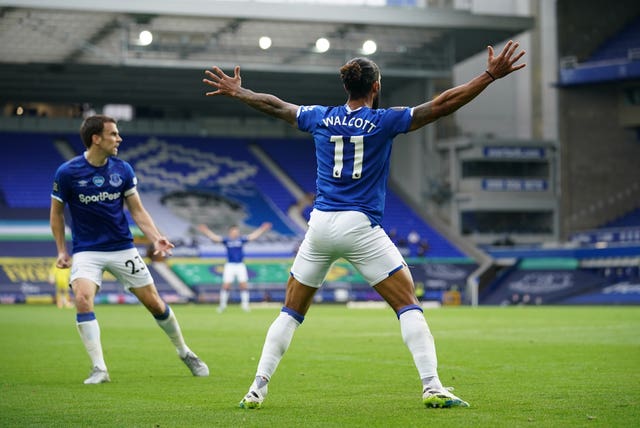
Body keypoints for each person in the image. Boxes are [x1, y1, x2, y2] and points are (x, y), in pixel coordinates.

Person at [203, 40, 526, 409]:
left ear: (346, 88)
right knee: (408, 304)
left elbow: (276, 106)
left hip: (320, 225)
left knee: (290, 312)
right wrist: (488, 76)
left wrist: (238, 91)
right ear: (375, 88)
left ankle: (256, 388)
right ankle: (433, 385)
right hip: (359, 225)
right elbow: (442, 104)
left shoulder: (320, 116)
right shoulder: (385, 120)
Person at [50, 114, 209, 384]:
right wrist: (62, 250)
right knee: (82, 298)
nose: (119, 138)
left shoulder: (123, 170)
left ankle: (185, 352)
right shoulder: (67, 173)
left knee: (155, 304)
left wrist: (156, 237)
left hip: (123, 248)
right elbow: (56, 214)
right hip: (88, 250)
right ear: (96, 139)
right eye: (113, 134)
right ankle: (99, 368)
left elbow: (137, 210)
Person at [197, 222, 272, 312]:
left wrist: (262, 229)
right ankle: (222, 305)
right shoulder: (227, 240)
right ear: (230, 232)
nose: (236, 232)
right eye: (234, 231)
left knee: (243, 285)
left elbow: (253, 236)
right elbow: (215, 238)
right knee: (226, 285)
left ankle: (245, 305)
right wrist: (206, 230)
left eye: (237, 231)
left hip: (240, 265)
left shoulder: (241, 240)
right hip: (230, 265)